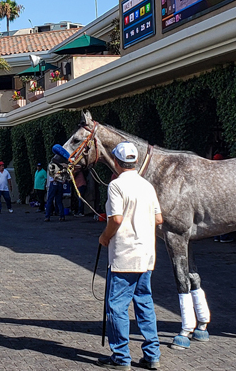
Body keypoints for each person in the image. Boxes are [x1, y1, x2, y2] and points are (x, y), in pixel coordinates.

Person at [95, 142, 162, 371]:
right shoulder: (147, 186)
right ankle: (152, 355)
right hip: (146, 255)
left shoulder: (116, 186)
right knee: (145, 304)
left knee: (117, 307)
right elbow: (159, 218)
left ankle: (121, 357)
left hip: (124, 256)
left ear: (116, 161)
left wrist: (105, 237)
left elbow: (116, 219)